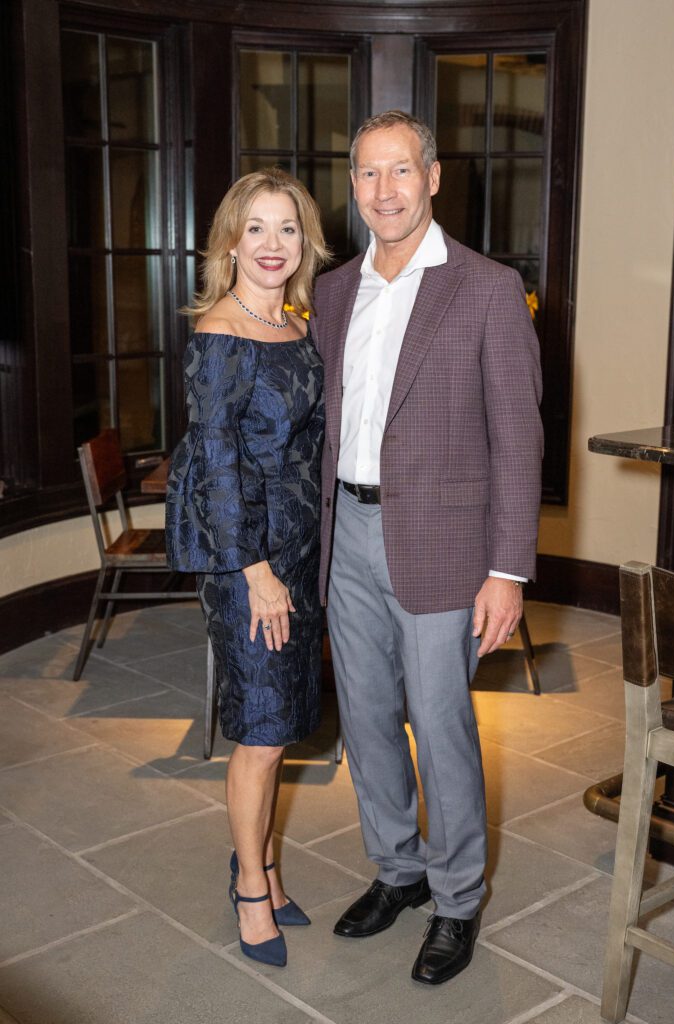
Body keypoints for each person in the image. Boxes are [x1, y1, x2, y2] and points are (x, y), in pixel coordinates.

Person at [311, 110, 543, 986]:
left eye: (399, 171)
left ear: (433, 176)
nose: (383, 191)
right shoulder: (335, 291)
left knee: (439, 725)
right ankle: (398, 871)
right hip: (348, 532)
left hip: (445, 542)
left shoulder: (485, 286)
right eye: (367, 174)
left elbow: (517, 437)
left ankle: (454, 901)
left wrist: (506, 569)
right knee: (365, 720)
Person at [166, 168, 329, 968]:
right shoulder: (219, 332)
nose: (272, 245)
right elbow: (219, 463)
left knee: (287, 720)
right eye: (256, 228)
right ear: (230, 240)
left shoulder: (297, 323)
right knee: (261, 736)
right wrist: (253, 569)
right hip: (250, 558)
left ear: (306, 240)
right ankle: (249, 893)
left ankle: (260, 859)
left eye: (287, 228)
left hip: (300, 549)